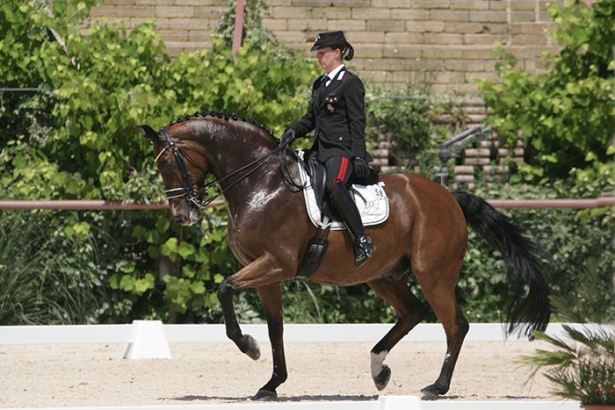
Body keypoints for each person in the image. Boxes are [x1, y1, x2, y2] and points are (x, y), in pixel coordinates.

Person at [280, 31, 376, 267]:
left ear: (336, 52)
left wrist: (357, 155)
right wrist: (293, 130)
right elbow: (310, 119)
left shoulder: (350, 82)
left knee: (334, 184)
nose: (319, 58)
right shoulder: (319, 83)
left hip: (340, 150)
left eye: (322, 53)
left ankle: (362, 240)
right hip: (319, 150)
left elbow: (357, 121)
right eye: (318, 54)